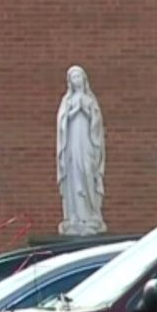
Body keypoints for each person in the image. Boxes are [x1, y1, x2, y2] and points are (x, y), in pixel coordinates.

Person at [56, 65, 107, 236]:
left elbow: (97, 124)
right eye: (73, 78)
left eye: (79, 77)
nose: (77, 81)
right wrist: (73, 111)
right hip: (72, 145)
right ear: (70, 82)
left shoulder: (90, 100)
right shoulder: (67, 101)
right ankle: (75, 216)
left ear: (84, 79)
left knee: (87, 173)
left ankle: (90, 214)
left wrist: (87, 111)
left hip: (86, 143)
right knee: (74, 176)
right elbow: (62, 123)